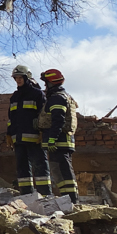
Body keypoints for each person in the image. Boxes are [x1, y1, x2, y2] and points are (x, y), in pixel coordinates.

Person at [7, 64, 50, 195]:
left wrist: (43, 132)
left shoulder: (37, 94)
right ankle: (26, 195)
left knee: (40, 166)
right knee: (22, 169)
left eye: (20, 77)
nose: (18, 80)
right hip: (18, 140)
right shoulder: (14, 97)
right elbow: (11, 118)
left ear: (27, 78)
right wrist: (9, 134)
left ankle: (45, 196)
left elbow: (44, 115)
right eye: (16, 78)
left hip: (35, 139)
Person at [41, 68, 78, 203]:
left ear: (51, 83)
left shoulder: (57, 97)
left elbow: (58, 120)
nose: (45, 86)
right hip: (60, 141)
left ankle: (72, 201)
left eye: (46, 83)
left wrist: (52, 138)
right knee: (59, 172)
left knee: (64, 171)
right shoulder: (62, 96)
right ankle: (66, 200)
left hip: (59, 141)